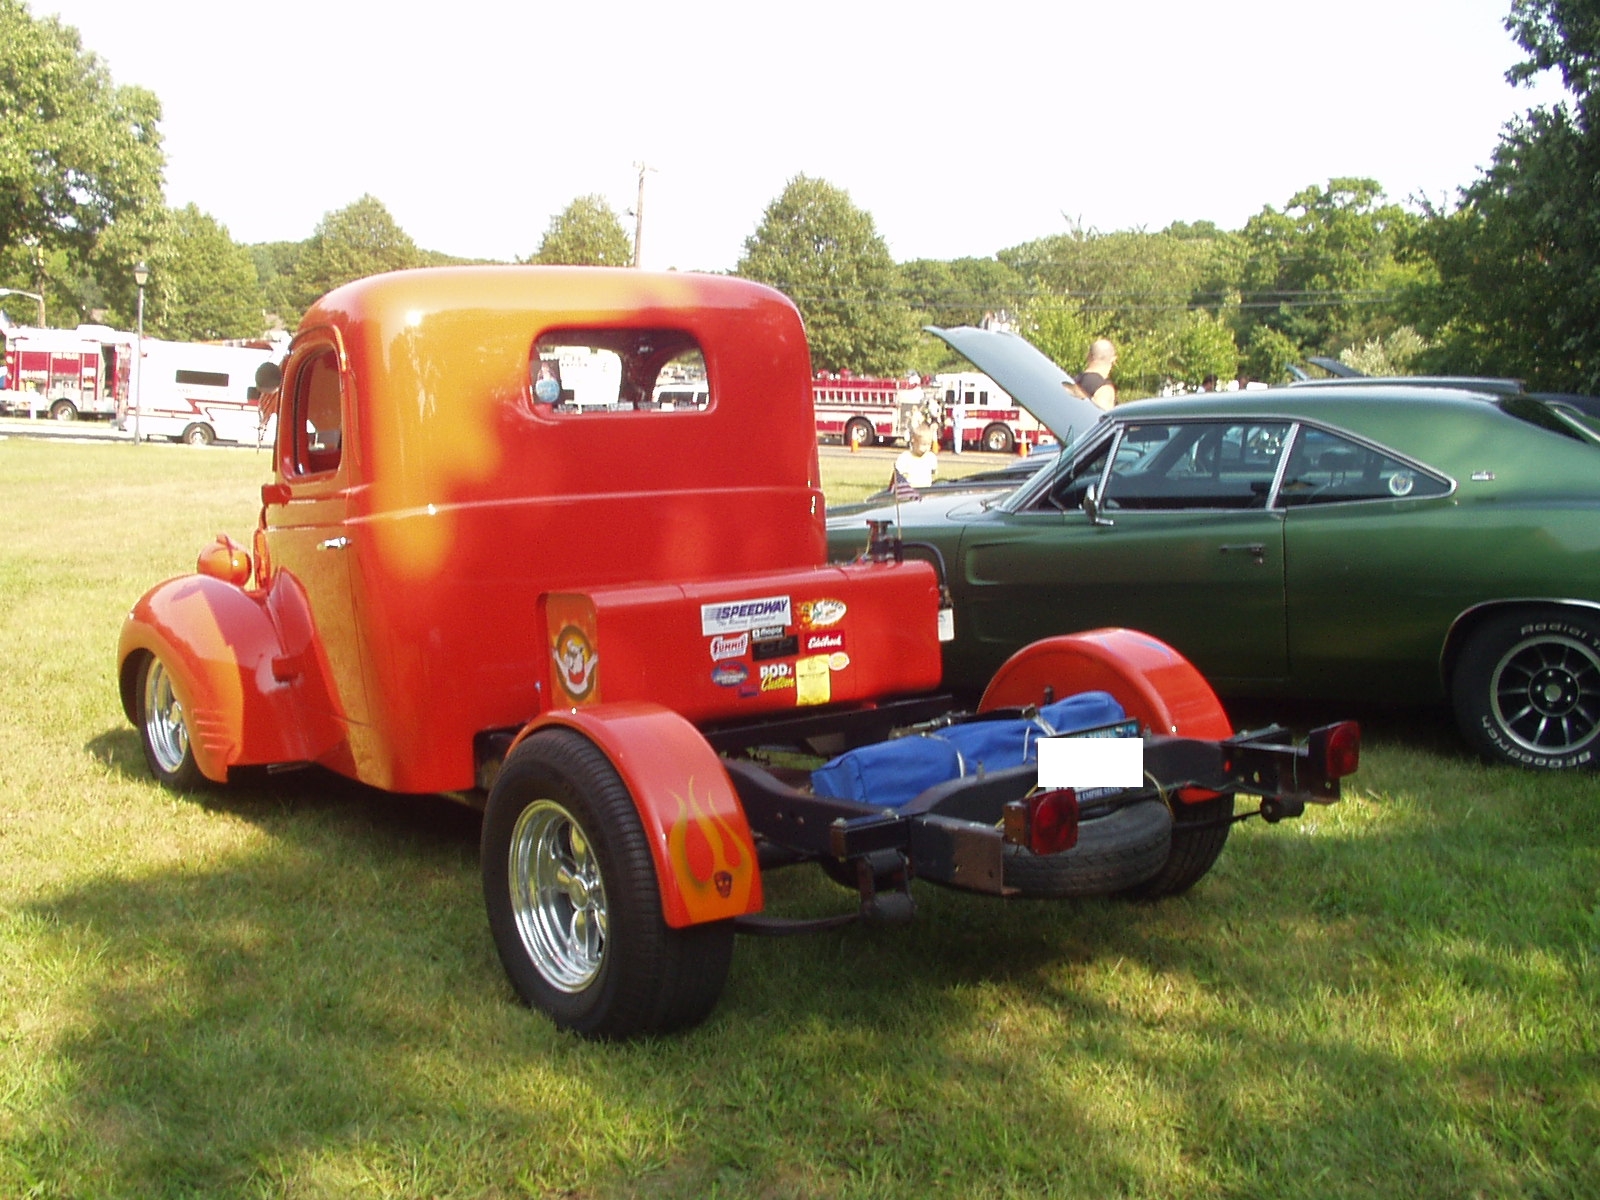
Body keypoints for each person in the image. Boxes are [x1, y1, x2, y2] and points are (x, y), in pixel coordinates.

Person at [892, 423, 938, 490]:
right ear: (914, 441)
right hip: (910, 490)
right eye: (924, 444)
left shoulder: (930, 457)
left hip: (926, 490)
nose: (926, 448)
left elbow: (934, 470)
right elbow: (897, 475)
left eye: (929, 444)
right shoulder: (905, 457)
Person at [1077, 338, 1117, 410]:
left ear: (1088, 356)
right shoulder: (1104, 390)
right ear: (1113, 360)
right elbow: (1101, 418)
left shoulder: (1074, 381)